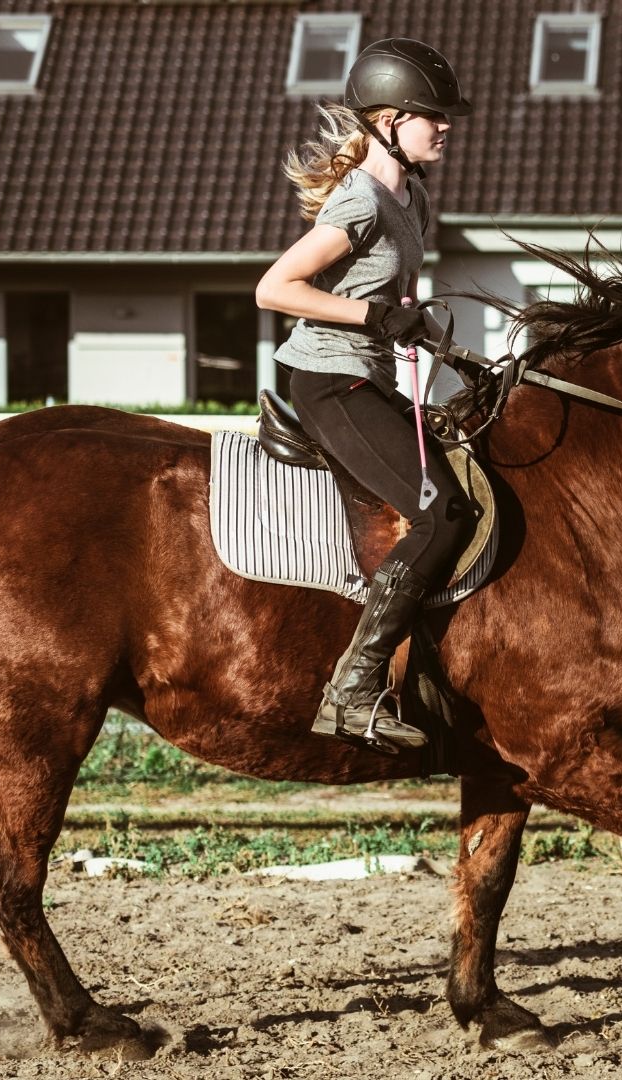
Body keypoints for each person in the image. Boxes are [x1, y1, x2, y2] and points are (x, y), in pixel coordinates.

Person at [255, 38, 474, 754]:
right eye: (431, 116)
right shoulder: (359, 200)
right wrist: (378, 317)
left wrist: (434, 337)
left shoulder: (411, 197)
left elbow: (394, 301)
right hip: (329, 380)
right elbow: (275, 289)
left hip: (370, 375)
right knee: (443, 513)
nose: (445, 127)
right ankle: (352, 688)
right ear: (387, 121)